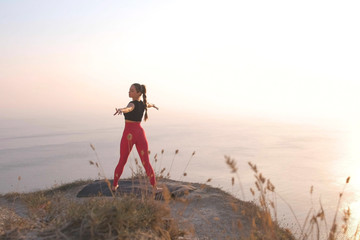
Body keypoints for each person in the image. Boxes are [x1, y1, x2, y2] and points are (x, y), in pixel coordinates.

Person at [112, 83, 159, 192]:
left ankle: (114, 186)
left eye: (132, 90)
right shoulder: (143, 104)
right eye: (129, 90)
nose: (129, 92)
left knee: (122, 160)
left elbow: (128, 109)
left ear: (138, 93)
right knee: (146, 162)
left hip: (129, 135)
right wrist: (153, 105)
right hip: (140, 133)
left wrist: (121, 110)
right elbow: (148, 104)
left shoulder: (132, 103)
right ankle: (155, 188)